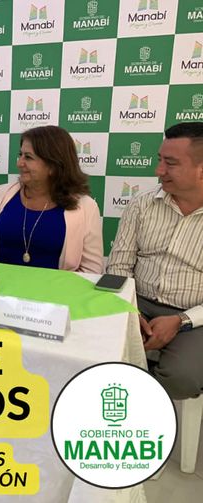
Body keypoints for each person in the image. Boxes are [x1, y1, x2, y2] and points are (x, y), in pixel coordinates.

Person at [107, 122, 203, 399]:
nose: (158, 171)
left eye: (170, 163)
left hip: (193, 314)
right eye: (160, 160)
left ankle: (139, 409)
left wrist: (182, 321)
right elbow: (119, 266)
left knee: (182, 378)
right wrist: (131, 310)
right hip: (135, 302)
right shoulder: (142, 205)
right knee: (90, 345)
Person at [0, 125, 103, 273]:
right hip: (0, 285)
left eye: (28, 157)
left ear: (53, 165)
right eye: (20, 154)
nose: (19, 163)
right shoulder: (0, 194)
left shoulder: (86, 207)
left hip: (57, 288)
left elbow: (91, 270)